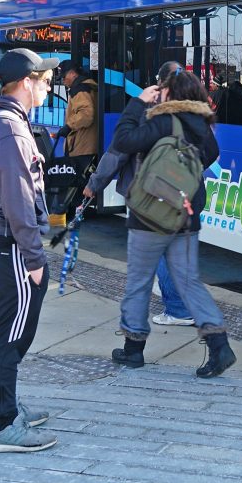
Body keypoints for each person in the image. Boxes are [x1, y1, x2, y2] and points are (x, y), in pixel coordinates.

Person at [103, 68, 234, 377]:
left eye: (161, 90)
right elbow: (210, 156)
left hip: (150, 216)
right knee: (189, 281)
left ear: (170, 94)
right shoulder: (202, 125)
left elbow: (123, 141)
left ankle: (133, 349)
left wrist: (136, 104)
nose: (157, 94)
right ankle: (219, 345)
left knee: (139, 281)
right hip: (185, 216)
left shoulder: (162, 121)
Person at [0, 48, 60, 453]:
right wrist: (35, 259)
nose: (49, 84)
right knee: (9, 335)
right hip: (9, 246)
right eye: (44, 79)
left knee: (2, 330)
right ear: (26, 82)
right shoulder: (9, 130)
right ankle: (4, 424)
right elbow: (18, 200)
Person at [84, 61, 193, 327]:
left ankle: (177, 309)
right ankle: (179, 300)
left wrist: (94, 184)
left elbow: (117, 153)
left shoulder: (146, 114)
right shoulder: (190, 113)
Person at [55, 60, 98, 157]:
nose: (63, 81)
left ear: (72, 73)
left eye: (64, 77)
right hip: (89, 146)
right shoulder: (89, 86)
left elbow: (86, 114)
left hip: (82, 148)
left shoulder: (79, 89)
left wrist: (69, 126)